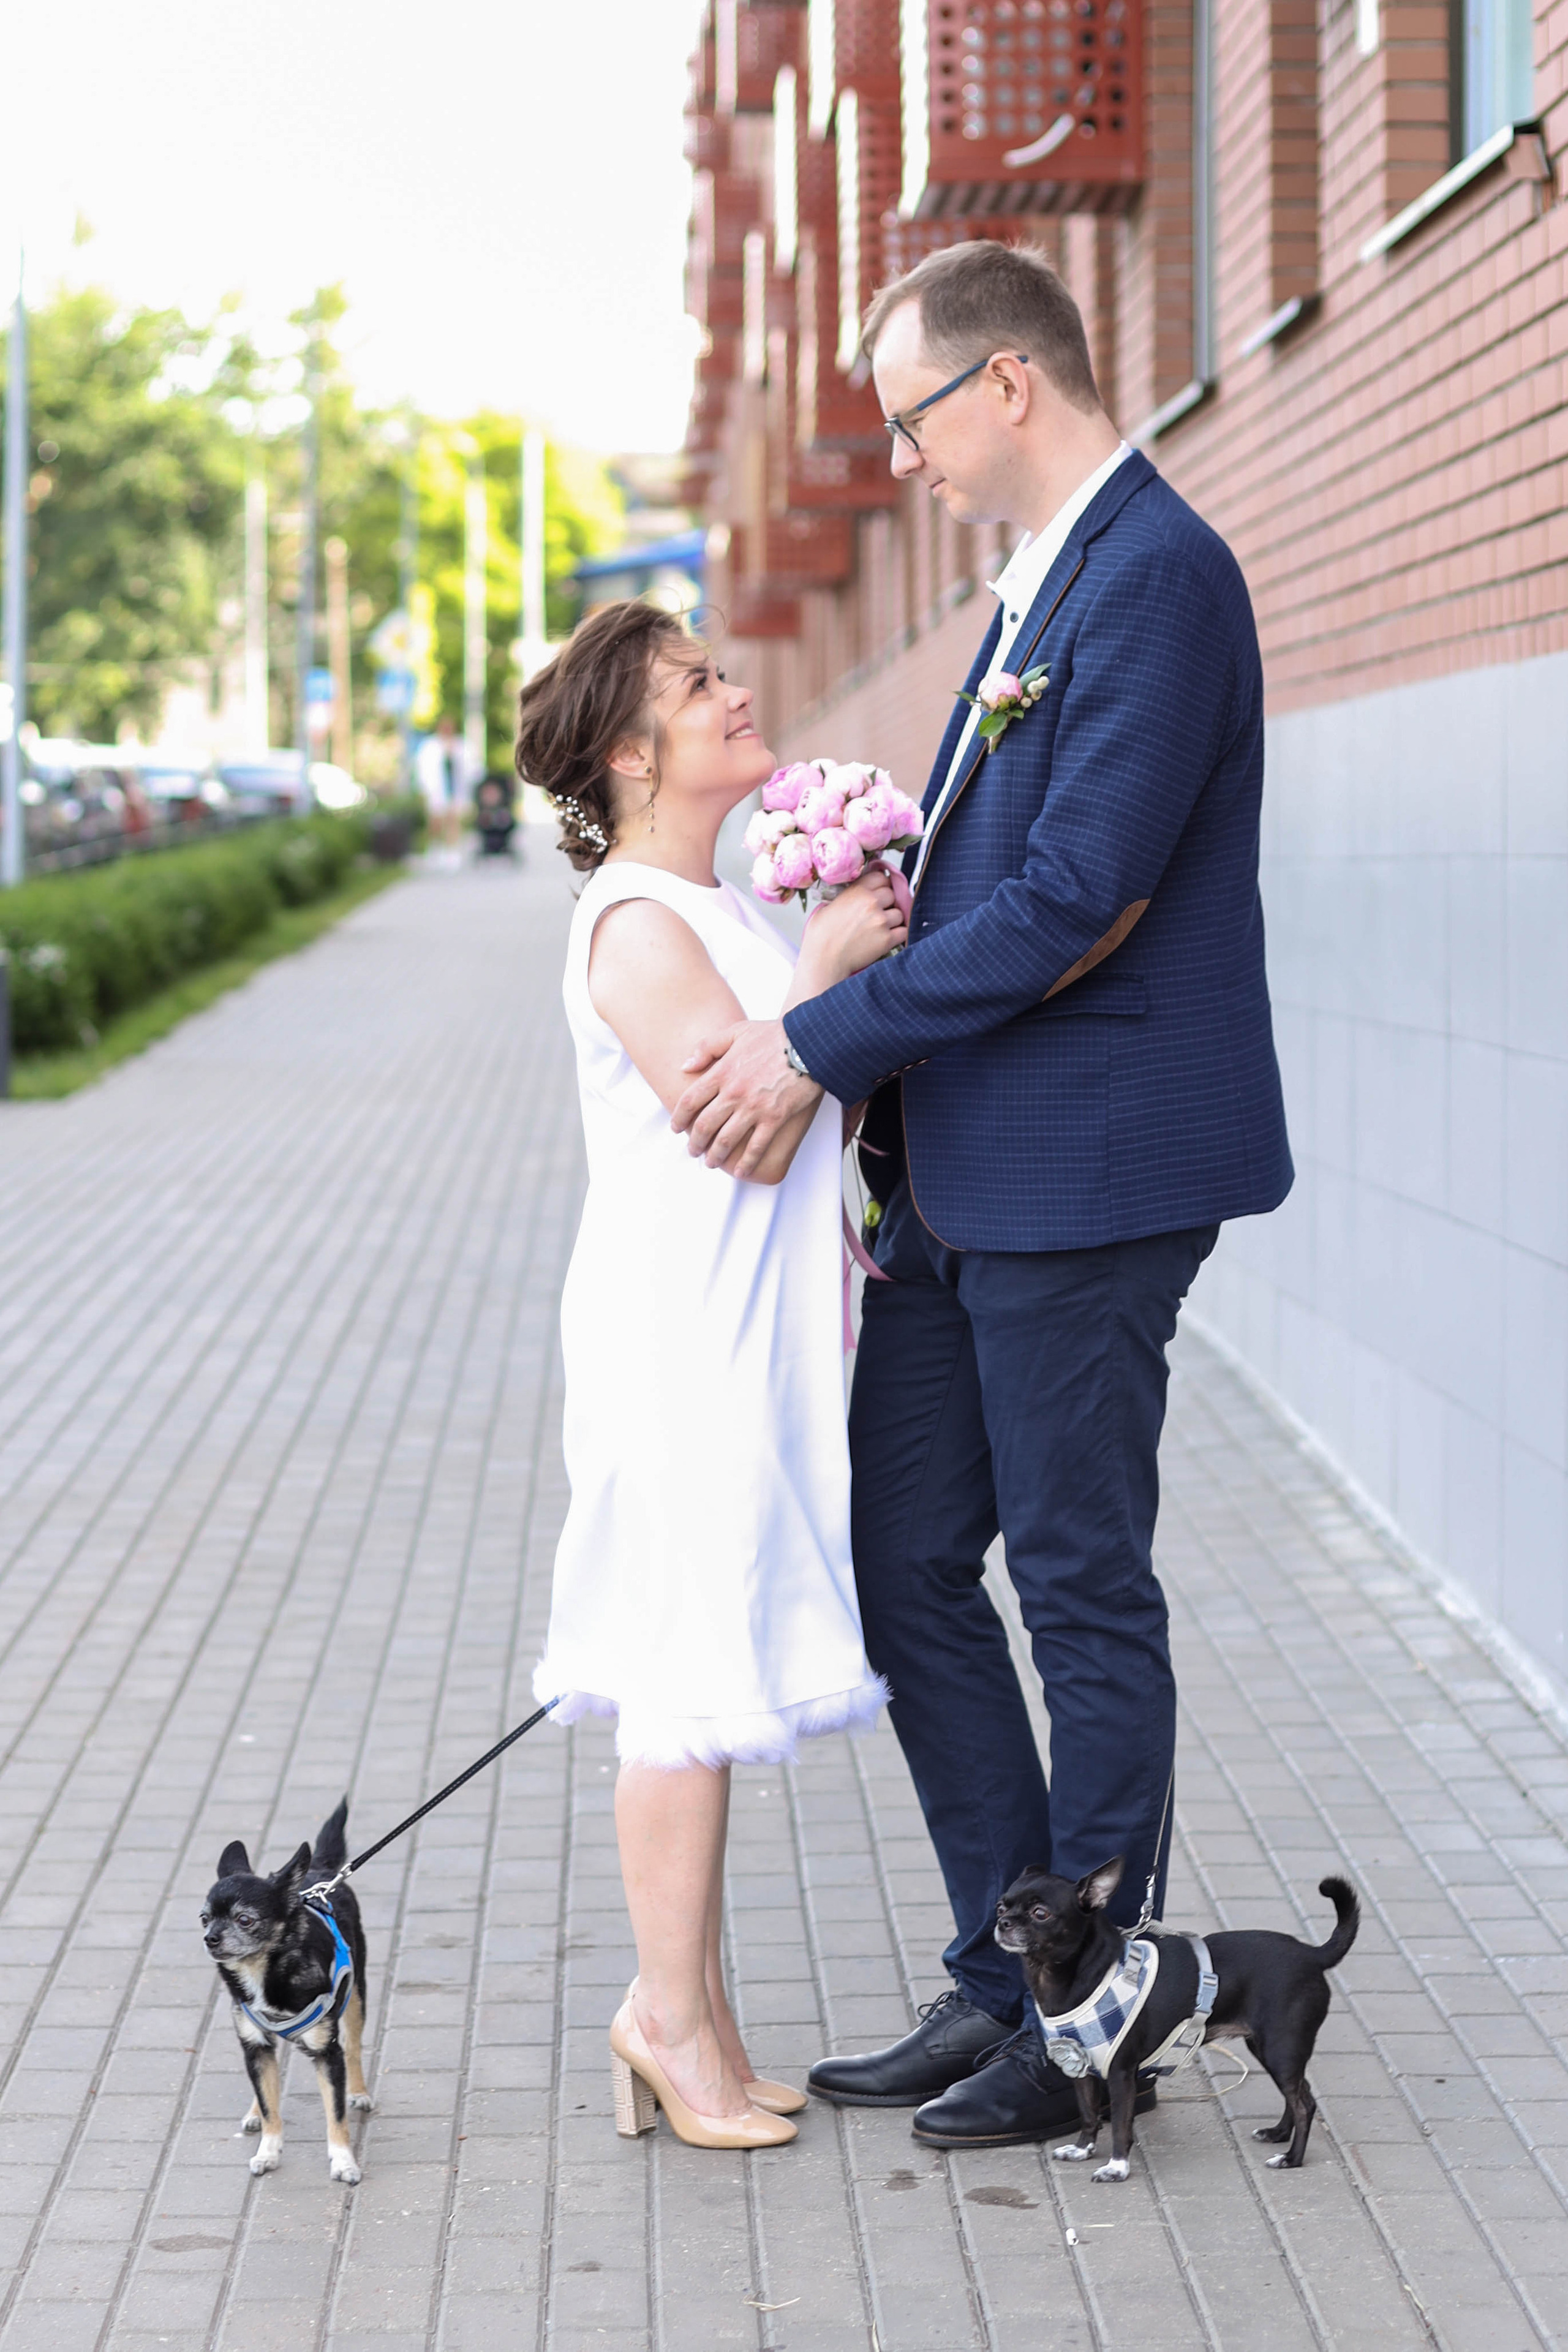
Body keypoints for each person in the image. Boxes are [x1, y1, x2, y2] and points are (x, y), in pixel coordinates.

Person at [671, 243, 1293, 2148]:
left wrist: (818, 1037)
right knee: (907, 1557)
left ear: (1008, 383)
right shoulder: (1044, 585)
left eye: (913, 414)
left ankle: (1092, 2016)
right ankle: (996, 1963)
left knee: (1079, 1581)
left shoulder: (1158, 575)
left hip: (1086, 1178)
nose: (904, 455)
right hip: (959, 1180)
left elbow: (1077, 899)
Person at [516, 599, 904, 2150]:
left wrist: (812, 965)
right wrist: (825, 972)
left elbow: (793, 1079)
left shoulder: (716, 900)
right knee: (680, 1682)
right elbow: (741, 1115)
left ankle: (701, 2018)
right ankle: (664, 2022)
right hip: (677, 1340)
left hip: (747, 1328)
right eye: (696, 685)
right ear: (629, 752)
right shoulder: (631, 922)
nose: (736, 693)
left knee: (712, 1658)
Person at [414, 715, 472, 847]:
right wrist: (424, 788)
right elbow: (422, 769)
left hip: (455, 789)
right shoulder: (430, 746)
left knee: (454, 820)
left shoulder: (461, 745)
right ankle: (435, 847)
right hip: (436, 790)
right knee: (435, 821)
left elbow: (470, 768)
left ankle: (452, 848)